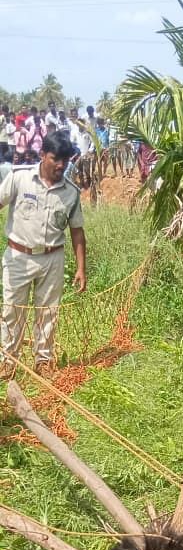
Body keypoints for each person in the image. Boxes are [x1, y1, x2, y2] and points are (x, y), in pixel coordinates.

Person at [0, 131, 87, 381]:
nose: (60, 165)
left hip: (52, 259)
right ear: (42, 155)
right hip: (18, 256)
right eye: (55, 158)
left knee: (48, 312)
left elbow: (77, 232)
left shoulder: (71, 192)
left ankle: (44, 360)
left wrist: (81, 269)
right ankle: (9, 361)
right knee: (12, 310)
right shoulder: (19, 179)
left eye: (65, 160)